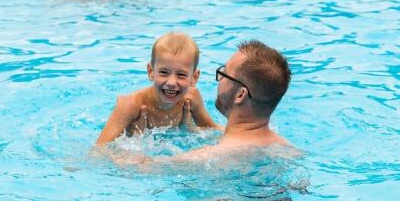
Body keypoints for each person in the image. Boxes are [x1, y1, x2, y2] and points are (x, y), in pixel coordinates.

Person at [103, 40, 292, 164]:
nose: (218, 80)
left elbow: (132, 167)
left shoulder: (204, 159)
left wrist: (134, 140)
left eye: (224, 74)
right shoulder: (288, 151)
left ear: (240, 95)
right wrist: (192, 130)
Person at [95, 32, 220, 146]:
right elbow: (99, 151)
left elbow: (214, 132)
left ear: (194, 77)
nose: (171, 82)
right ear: (151, 72)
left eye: (181, 75)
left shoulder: (191, 98)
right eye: (164, 72)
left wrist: (189, 129)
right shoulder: (132, 105)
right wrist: (134, 144)